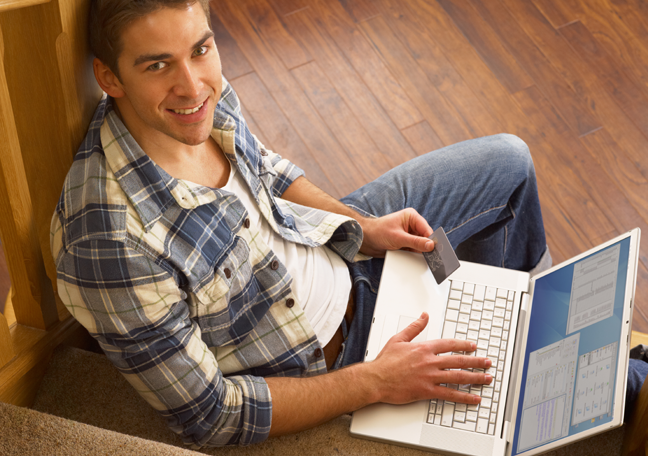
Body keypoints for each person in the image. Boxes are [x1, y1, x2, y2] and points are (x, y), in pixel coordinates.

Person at [50, 0, 554, 448]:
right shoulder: (109, 241)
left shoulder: (202, 97)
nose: (191, 84)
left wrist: (363, 226)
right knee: (613, 384)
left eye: (200, 50)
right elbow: (212, 415)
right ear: (109, 77)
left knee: (510, 164)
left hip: (326, 244)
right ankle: (522, 358)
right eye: (158, 65)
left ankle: (512, 315)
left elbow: (267, 172)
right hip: (330, 358)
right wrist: (378, 380)